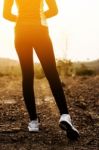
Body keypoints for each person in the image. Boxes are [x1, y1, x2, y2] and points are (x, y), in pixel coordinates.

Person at [3, 0, 79, 140]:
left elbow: (6, 14)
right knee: (51, 73)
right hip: (40, 29)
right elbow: (54, 10)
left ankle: (33, 122)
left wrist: (21, 18)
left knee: (27, 75)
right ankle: (64, 115)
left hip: (20, 31)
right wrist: (39, 15)